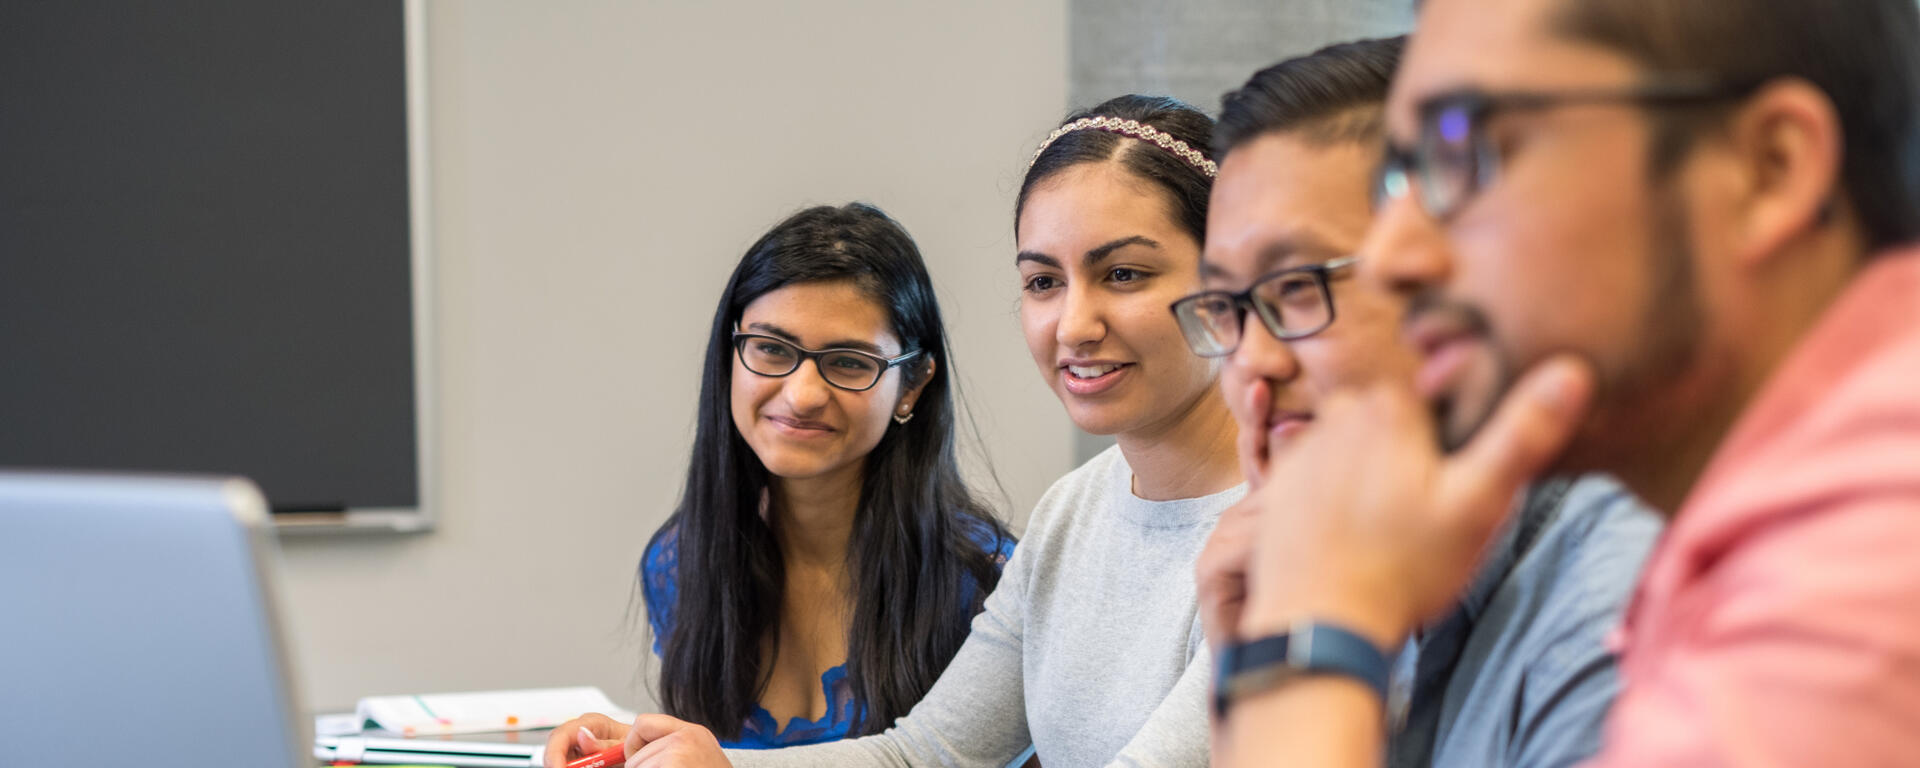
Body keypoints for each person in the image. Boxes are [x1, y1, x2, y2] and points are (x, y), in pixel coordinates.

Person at [1210, 0, 1920, 766]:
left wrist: (1311, 633)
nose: (1394, 258)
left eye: (1468, 155)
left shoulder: (1852, 589)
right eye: (1404, 181)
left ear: (1767, 169)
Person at [545, 94, 1240, 768]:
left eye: (1124, 274)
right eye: (1042, 282)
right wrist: (689, 761)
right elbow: (927, 754)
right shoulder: (1072, 513)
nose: (1074, 326)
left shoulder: (1294, 537)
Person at [1186, 37, 1658, 767]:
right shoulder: (1371, 557)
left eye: (1298, 287)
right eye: (1226, 306)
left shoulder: (1622, 592)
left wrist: (1307, 636)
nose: (1253, 359)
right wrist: (1250, 658)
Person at [599, 203, 1015, 751]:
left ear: (911, 386)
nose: (801, 395)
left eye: (847, 362)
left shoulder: (985, 580)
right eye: (771, 349)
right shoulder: (681, 560)